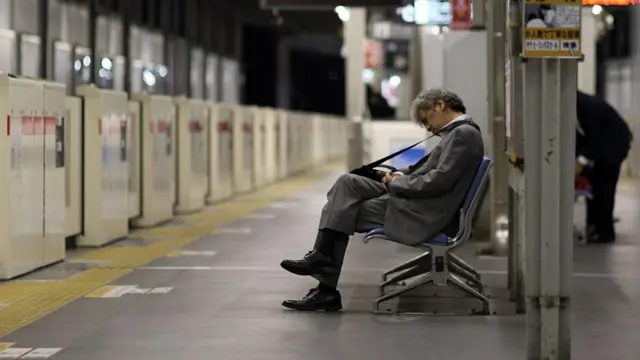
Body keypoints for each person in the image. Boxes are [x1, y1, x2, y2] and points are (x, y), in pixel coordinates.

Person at [279, 88, 485, 311]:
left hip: (424, 212)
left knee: (345, 211)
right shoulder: (459, 133)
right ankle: (322, 258)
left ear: (440, 105)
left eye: (427, 121)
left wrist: (394, 183)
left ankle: (326, 286)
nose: (429, 129)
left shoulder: (463, 134)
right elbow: (427, 173)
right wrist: (392, 175)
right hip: (418, 199)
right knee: (347, 182)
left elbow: (437, 182)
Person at [575, 91, 632, 243]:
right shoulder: (578, 105)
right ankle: (594, 226)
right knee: (592, 187)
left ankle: (605, 233)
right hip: (603, 145)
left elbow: (593, 138)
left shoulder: (588, 108)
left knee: (604, 188)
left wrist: (580, 162)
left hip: (613, 146)